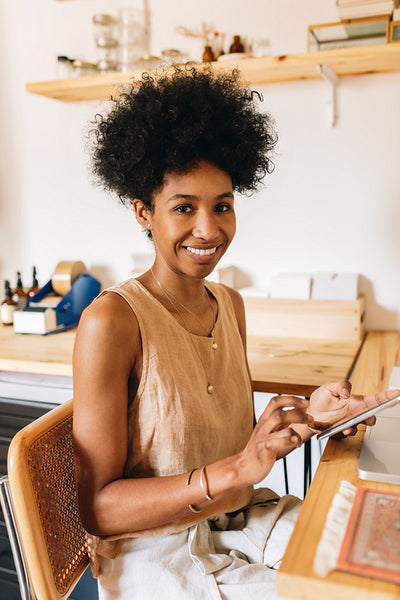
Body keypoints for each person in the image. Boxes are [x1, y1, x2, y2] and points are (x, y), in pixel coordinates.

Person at [72, 66, 397, 600]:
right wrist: (238, 469)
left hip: (240, 519)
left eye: (222, 205)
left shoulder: (230, 304)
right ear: (142, 213)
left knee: (374, 566)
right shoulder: (112, 321)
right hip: (159, 554)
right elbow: (99, 509)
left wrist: (310, 416)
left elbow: (227, 447)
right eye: (184, 208)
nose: (209, 229)